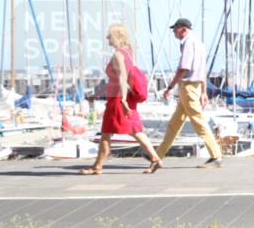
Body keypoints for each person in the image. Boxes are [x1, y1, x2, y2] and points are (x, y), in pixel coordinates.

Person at [80, 24, 162, 175]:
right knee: (135, 130)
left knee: (107, 133)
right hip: (120, 98)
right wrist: (96, 94)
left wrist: (123, 100)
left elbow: (122, 78)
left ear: (116, 36)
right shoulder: (128, 53)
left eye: (109, 35)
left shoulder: (118, 54)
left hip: (117, 100)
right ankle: (155, 159)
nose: (107, 38)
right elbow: (114, 80)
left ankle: (97, 166)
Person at [156, 18, 223, 167]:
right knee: (175, 124)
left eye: (175, 29)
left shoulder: (187, 43)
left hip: (187, 87)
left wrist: (170, 87)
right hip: (195, 86)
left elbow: (183, 68)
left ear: (183, 29)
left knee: (198, 121)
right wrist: (204, 91)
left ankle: (216, 155)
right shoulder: (199, 44)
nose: (174, 32)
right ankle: (157, 155)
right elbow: (202, 70)